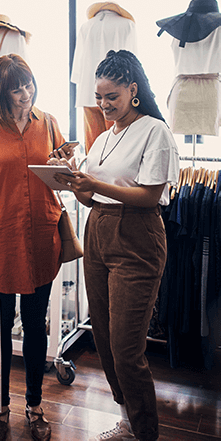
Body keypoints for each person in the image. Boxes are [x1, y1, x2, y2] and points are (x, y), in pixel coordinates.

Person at [51, 50, 179, 441]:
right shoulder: (105, 137)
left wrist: (95, 186)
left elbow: (150, 195)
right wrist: (72, 178)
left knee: (126, 346)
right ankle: (128, 420)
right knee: (104, 338)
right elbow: (91, 199)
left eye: (113, 97)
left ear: (133, 90)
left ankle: (145, 432)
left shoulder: (154, 131)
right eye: (100, 97)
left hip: (137, 236)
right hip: (99, 231)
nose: (104, 105)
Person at [0, 54, 75, 441]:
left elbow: (62, 179)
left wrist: (65, 165)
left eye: (28, 84)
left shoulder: (50, 123)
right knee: (0, 329)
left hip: (42, 236)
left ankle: (35, 405)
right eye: (15, 88)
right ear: (1, 91)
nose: (25, 94)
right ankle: (0, 409)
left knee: (37, 324)